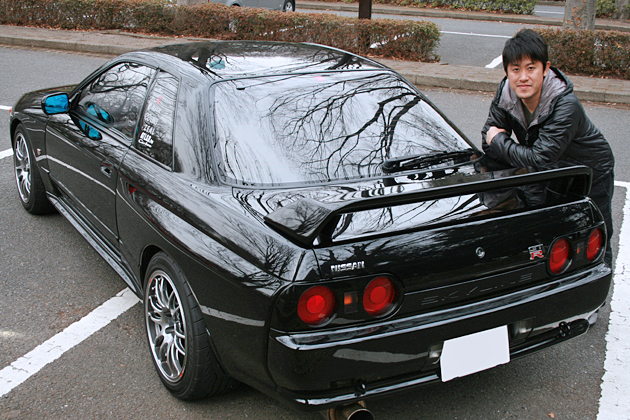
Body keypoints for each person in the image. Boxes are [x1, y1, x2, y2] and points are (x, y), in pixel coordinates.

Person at [482, 28, 615, 267]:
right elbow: (488, 139)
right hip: (551, 171)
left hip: (590, 171)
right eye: (515, 69)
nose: (523, 77)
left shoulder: (565, 105)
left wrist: (501, 142)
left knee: (596, 234)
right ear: (506, 72)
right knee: (552, 234)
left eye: (531, 68)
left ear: (546, 69)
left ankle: (597, 295)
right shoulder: (506, 94)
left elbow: (537, 156)